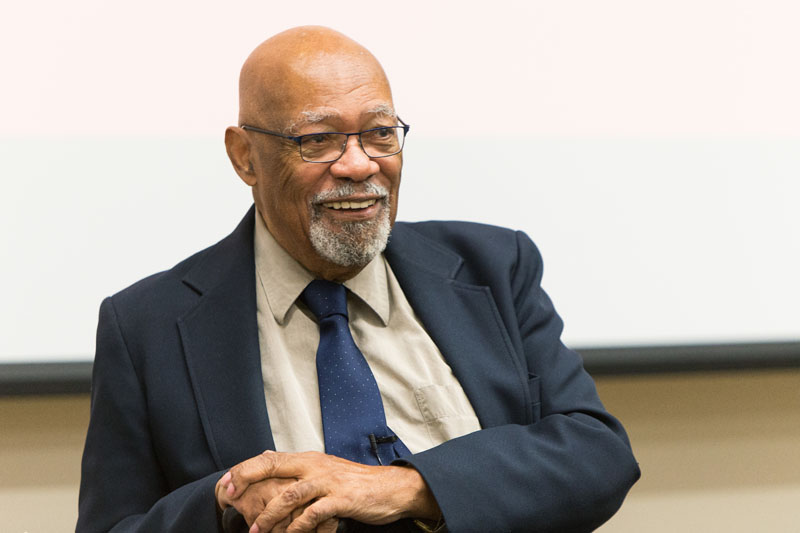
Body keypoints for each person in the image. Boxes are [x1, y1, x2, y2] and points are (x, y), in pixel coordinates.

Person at [77, 26, 640, 533]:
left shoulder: (493, 267)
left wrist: (409, 487)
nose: (359, 164)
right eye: (317, 140)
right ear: (245, 156)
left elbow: (597, 456)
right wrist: (225, 507)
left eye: (379, 133)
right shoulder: (147, 325)